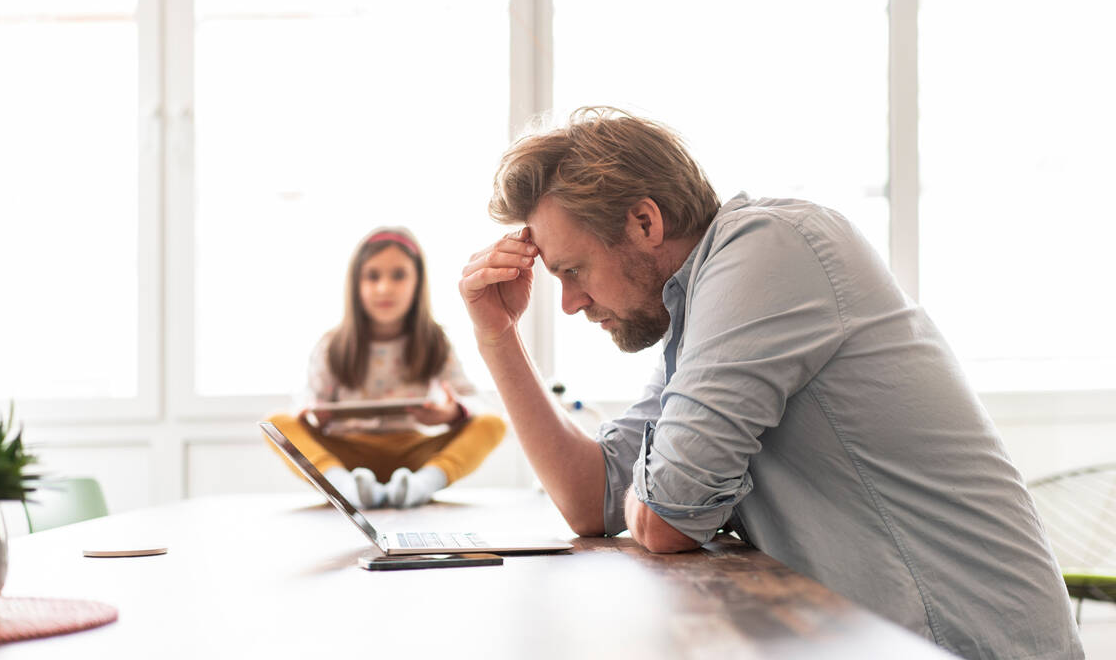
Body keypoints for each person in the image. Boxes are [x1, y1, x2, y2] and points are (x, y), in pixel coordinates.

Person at [458, 107, 1083, 659]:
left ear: (645, 222)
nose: (569, 303)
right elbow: (589, 500)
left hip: (964, 646)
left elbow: (665, 521)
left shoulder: (767, 249)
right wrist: (497, 336)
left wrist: (660, 489)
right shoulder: (699, 310)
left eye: (573, 270)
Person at [265, 227, 505, 509]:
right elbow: (306, 403)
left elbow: (475, 402)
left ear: (418, 282)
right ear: (356, 283)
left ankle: (421, 485)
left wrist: (451, 413)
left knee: (493, 424)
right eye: (372, 276)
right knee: (277, 424)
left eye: (399, 275)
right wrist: (315, 416)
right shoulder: (332, 345)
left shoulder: (434, 342)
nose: (384, 288)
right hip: (346, 455)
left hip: (413, 456)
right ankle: (344, 487)